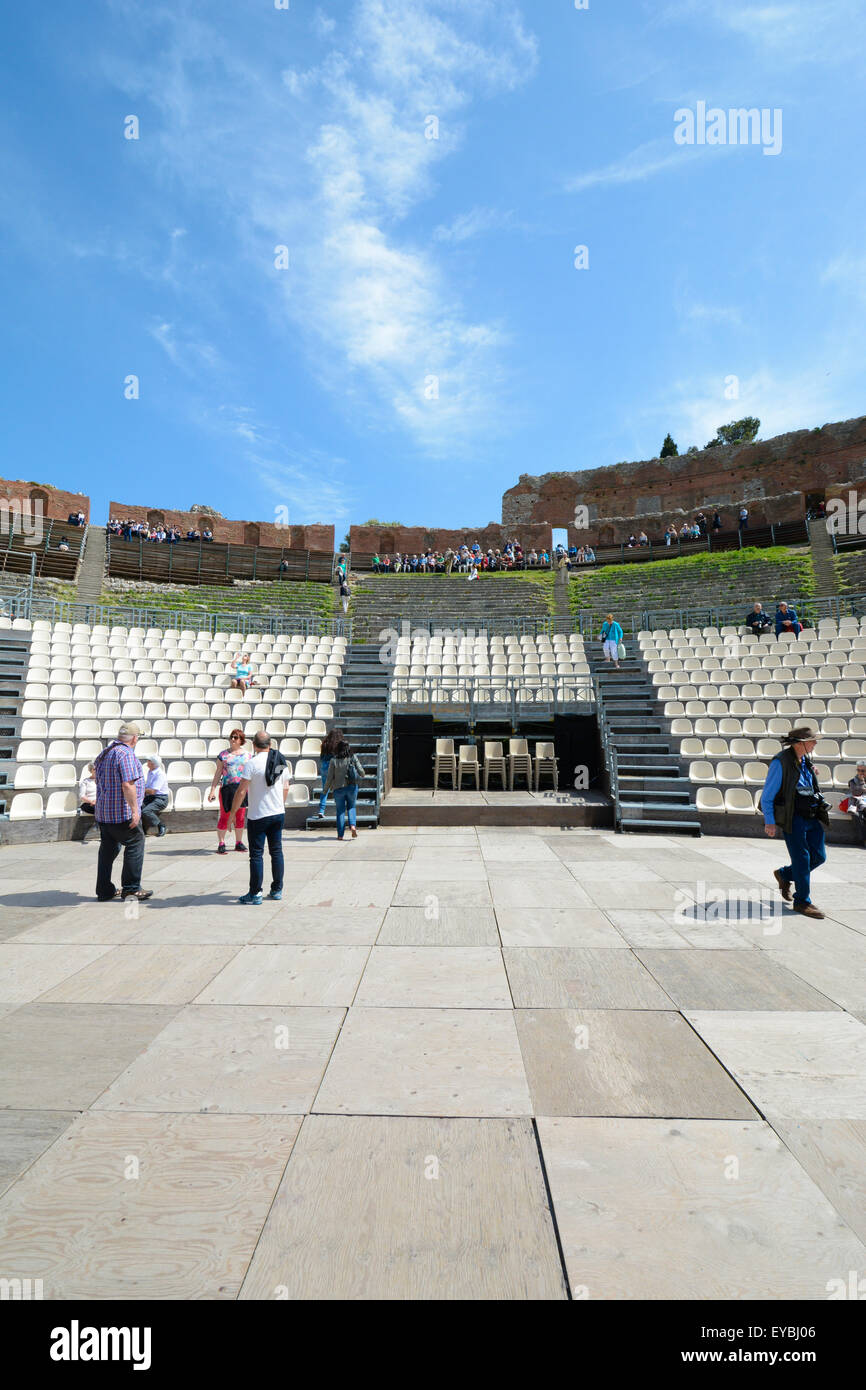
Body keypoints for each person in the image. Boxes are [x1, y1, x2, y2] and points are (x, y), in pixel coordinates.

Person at [762, 724, 828, 919]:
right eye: (812, 741)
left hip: (811, 814)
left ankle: (784, 874)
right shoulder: (780, 762)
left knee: (819, 856)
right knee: (802, 858)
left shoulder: (805, 760)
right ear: (800, 743)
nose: (815, 743)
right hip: (793, 817)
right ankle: (802, 902)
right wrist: (770, 821)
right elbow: (767, 796)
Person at [92, 721, 152, 902]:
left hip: (104, 812)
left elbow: (96, 779)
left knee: (107, 850)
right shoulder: (126, 754)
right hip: (121, 813)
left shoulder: (105, 752)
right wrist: (135, 811)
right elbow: (128, 784)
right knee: (135, 842)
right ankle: (131, 888)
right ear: (135, 738)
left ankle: (104, 890)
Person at [232, 731, 291, 904]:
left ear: (254, 745)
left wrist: (233, 813)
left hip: (258, 815)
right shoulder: (281, 761)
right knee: (276, 851)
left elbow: (241, 791)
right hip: (277, 812)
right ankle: (277, 889)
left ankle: (255, 893)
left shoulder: (252, 763)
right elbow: (286, 786)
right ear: (270, 744)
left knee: (256, 855)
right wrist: (280, 804)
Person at [207, 728, 249, 853]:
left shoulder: (248, 755)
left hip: (241, 788)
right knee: (224, 816)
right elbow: (217, 773)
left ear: (241, 740)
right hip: (226, 789)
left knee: (240, 816)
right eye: (231, 737)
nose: (232, 739)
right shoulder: (223, 755)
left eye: (236, 737)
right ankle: (221, 842)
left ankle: (238, 842)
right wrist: (212, 790)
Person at [322, 738, 365, 841]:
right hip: (352, 787)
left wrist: (325, 790)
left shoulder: (333, 760)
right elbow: (361, 771)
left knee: (340, 811)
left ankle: (340, 835)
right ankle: (353, 826)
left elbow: (329, 777)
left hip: (338, 789)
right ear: (348, 748)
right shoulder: (353, 757)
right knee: (351, 807)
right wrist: (362, 774)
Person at [311, 727, 342, 822]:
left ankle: (321, 810)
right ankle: (339, 809)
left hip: (324, 768)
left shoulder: (324, 744)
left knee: (325, 789)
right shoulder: (338, 745)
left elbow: (321, 757)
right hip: (334, 768)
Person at [141, 755, 169, 837]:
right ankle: (141, 830)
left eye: (149, 761)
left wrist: (139, 789)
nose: (147, 762)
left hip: (161, 798)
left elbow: (153, 791)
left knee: (146, 811)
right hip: (151, 797)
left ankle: (161, 825)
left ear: (153, 763)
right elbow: (148, 788)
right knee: (137, 807)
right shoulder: (150, 772)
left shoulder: (160, 774)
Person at [845, 764, 866, 845]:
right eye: (858, 770)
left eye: (863, 771)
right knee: (857, 816)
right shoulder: (852, 781)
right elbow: (856, 793)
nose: (860, 773)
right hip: (856, 805)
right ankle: (864, 840)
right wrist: (861, 782)